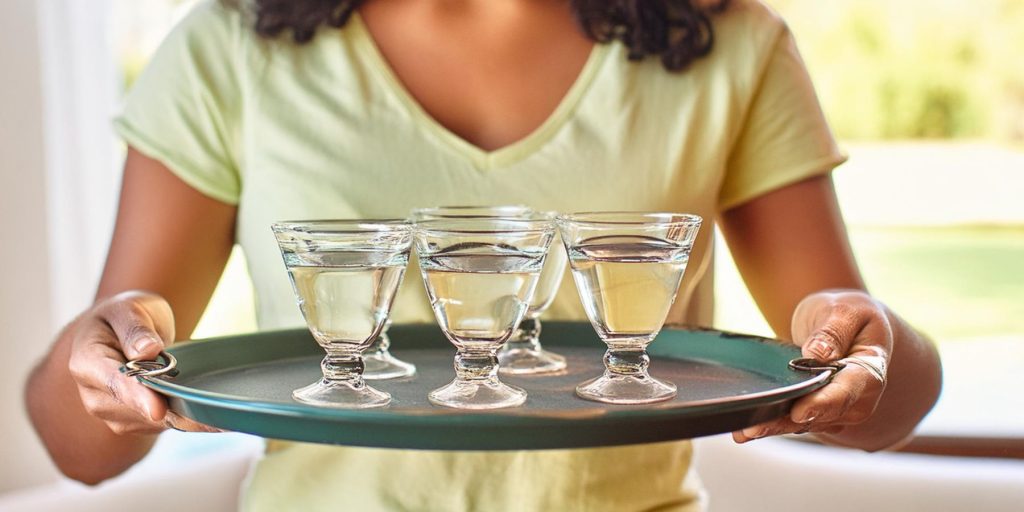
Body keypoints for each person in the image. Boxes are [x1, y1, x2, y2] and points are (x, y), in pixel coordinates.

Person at [25, 0, 942, 510]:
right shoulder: (226, 49)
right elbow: (84, 449)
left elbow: (881, 387)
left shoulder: (735, 45)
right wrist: (103, 359)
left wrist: (866, 347)